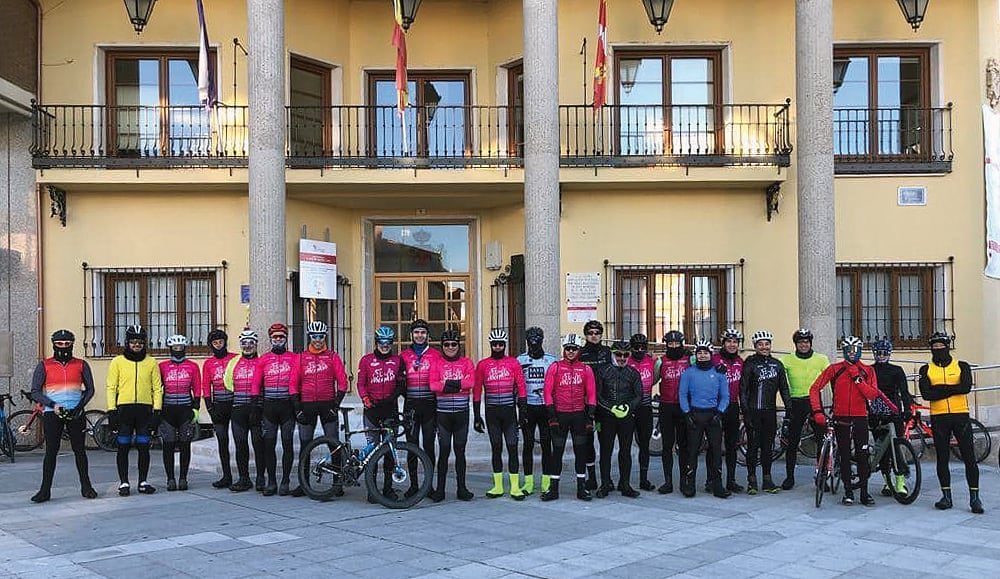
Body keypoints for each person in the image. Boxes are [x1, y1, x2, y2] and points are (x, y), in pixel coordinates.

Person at [810, 336, 896, 506]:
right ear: (843, 351)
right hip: (841, 417)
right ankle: (848, 492)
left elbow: (872, 394)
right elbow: (814, 388)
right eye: (848, 350)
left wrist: (857, 377)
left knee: (862, 455)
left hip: (860, 417)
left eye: (855, 350)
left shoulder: (867, 370)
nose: (851, 353)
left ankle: (864, 492)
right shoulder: (835, 369)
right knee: (844, 454)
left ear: (860, 351)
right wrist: (818, 411)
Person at [29, 330, 97, 503]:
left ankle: (86, 487)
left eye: (67, 344)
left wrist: (79, 406)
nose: (64, 347)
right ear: (54, 344)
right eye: (60, 344)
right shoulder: (44, 365)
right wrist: (53, 405)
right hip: (53, 413)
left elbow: (90, 389)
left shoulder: (81, 364)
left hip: (76, 413)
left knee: (79, 450)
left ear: (72, 344)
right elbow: (35, 391)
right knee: (51, 451)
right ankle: (44, 491)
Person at [918, 332, 983, 514]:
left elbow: (966, 387)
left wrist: (939, 388)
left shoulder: (962, 366)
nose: (938, 349)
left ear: (947, 347)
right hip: (939, 417)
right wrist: (953, 389)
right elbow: (926, 394)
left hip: (960, 415)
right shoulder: (925, 369)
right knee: (942, 457)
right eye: (935, 347)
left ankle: (975, 498)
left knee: (969, 457)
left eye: (941, 346)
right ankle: (946, 496)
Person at [292, 320, 349, 497]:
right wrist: (297, 409)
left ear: (325, 337)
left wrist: (336, 405)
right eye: (314, 336)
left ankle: (337, 483)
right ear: (309, 337)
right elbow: (293, 384)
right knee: (305, 445)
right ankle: (304, 484)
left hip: (327, 405)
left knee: (334, 444)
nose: (318, 340)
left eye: (321, 336)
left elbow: (343, 383)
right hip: (307, 405)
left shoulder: (332, 356)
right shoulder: (301, 357)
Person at [106, 325, 163, 496]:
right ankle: (124, 482)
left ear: (144, 343)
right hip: (124, 409)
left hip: (144, 410)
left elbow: (157, 388)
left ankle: (143, 481)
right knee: (123, 446)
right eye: (133, 342)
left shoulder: (151, 362)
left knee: (143, 446)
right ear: (127, 342)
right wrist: (111, 410)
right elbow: (111, 387)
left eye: (140, 342)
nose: (136, 345)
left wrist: (157, 411)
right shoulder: (117, 361)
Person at [542, 333, 597, 502]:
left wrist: (590, 417)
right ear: (564, 349)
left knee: (580, 452)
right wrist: (552, 415)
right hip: (560, 414)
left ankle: (581, 488)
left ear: (579, 350)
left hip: (579, 415)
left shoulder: (586, 369)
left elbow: (592, 394)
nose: (571, 351)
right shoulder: (555, 367)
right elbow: (547, 392)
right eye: (568, 349)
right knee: (557, 451)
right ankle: (553, 489)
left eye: (574, 349)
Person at [474, 329, 528, 500]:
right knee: (496, 448)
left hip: (509, 413)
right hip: (492, 414)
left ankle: (515, 487)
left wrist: (523, 412)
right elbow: (477, 391)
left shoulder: (513, 363)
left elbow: (521, 387)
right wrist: (477, 416)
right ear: (490, 345)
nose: (497, 347)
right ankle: (497, 486)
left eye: (500, 344)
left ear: (505, 345)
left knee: (512, 448)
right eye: (494, 344)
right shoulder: (483, 364)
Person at [356, 326, 407, 502]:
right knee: (372, 450)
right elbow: (360, 383)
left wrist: (392, 398)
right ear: (376, 342)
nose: (385, 345)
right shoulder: (366, 360)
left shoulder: (398, 360)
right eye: (381, 342)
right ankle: (372, 490)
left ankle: (388, 488)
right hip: (372, 410)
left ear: (392, 343)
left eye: (388, 342)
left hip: (390, 410)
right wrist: (366, 399)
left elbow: (401, 384)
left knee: (389, 451)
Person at [739, 330, 789, 495]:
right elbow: (743, 389)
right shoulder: (750, 363)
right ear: (755, 346)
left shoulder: (777, 364)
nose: (764, 347)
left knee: (768, 447)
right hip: (754, 412)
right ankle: (752, 480)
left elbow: (784, 389)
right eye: (760, 344)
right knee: (753, 447)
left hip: (770, 412)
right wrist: (745, 412)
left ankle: (767, 480)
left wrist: (789, 409)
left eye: (767, 344)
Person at [778, 328, 830, 490]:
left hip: (815, 402)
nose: (803, 345)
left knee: (822, 440)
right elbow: (778, 381)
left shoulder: (821, 359)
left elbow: (833, 379)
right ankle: (789, 477)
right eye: (800, 342)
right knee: (792, 442)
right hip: (795, 402)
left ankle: (822, 478)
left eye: (806, 342)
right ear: (796, 344)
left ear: (810, 343)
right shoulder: (786, 360)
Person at [679, 340, 730, 499]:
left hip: (713, 415)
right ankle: (690, 484)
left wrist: (719, 413)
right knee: (692, 451)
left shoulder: (719, 373)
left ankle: (717, 485)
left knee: (716, 451)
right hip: (695, 414)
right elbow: (682, 394)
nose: (702, 355)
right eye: (699, 353)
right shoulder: (688, 373)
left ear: (711, 354)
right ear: (695, 355)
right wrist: (687, 414)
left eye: (705, 353)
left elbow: (725, 396)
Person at [429, 330, 476, 502]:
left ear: (459, 345)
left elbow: (471, 383)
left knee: (460, 451)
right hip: (443, 415)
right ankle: (440, 489)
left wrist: (446, 384)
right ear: (442, 346)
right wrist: (458, 385)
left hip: (461, 415)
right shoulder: (436, 363)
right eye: (446, 344)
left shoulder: (467, 362)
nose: (450, 347)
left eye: (454, 344)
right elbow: (433, 385)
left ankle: (462, 488)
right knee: (444, 451)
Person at [255, 323, 300, 496]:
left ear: (286, 339)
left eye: (281, 337)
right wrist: (255, 405)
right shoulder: (264, 359)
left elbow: (299, 382)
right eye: (275, 337)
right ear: (270, 339)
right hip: (269, 407)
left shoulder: (294, 358)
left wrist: (298, 404)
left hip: (288, 407)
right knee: (269, 445)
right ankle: (271, 481)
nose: (278, 339)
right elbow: (256, 384)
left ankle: (285, 481)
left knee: (287, 444)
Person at [399, 319, 442, 498]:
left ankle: (428, 486)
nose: (419, 335)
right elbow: (399, 381)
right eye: (416, 332)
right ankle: (414, 485)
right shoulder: (403, 355)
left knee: (429, 447)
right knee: (411, 446)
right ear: (411, 334)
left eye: (423, 332)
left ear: (428, 335)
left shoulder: (436, 355)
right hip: (411, 406)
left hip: (430, 406)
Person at [595, 341, 642, 498]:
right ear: (612, 354)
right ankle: (605, 484)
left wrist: (628, 407)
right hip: (606, 417)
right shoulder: (602, 371)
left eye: (625, 355)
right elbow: (597, 395)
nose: (622, 358)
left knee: (626, 451)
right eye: (618, 355)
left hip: (626, 417)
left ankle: (625, 484)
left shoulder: (633, 373)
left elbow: (639, 395)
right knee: (605, 451)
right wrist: (611, 408)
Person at [869, 339, 914, 497]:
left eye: (884, 353)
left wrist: (907, 409)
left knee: (896, 448)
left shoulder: (897, 370)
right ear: (874, 354)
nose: (881, 356)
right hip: (876, 413)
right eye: (878, 353)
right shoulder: (869, 370)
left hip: (894, 412)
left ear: (889, 354)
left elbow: (904, 392)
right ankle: (887, 482)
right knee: (882, 450)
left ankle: (900, 482)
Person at [517, 326, 558, 496]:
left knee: (547, 444)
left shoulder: (551, 360)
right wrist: (520, 408)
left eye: (537, 341)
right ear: (527, 341)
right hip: (527, 407)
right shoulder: (520, 360)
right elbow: (516, 385)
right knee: (528, 444)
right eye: (531, 341)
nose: (534, 344)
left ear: (542, 341)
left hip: (545, 407)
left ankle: (546, 482)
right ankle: (528, 482)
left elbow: (556, 385)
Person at [158, 334, 202, 491]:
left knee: (185, 445)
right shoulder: (162, 366)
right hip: (168, 410)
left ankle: (183, 478)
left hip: (185, 410)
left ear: (185, 348)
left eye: (181, 347)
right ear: (170, 349)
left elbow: (197, 388)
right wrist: (156, 409)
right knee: (168, 445)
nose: (178, 350)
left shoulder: (192, 366)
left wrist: (196, 408)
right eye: (175, 347)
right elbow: (157, 388)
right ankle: (170, 479)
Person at [224, 329, 264, 492]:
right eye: (244, 343)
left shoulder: (261, 360)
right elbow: (227, 381)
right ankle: (243, 478)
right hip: (238, 409)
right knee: (240, 445)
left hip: (257, 409)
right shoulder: (234, 361)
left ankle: (261, 478)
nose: (247, 346)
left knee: (258, 444)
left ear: (256, 345)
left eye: (251, 343)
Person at [201, 329, 237, 489]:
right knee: (222, 441)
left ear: (225, 342)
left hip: (235, 404)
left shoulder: (235, 358)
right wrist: (210, 409)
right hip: (219, 406)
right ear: (211, 345)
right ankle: (226, 476)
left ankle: (244, 476)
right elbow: (206, 387)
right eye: (215, 343)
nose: (218, 345)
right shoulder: (208, 363)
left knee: (240, 440)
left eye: (220, 342)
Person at [711, 328, 744, 493]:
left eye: (735, 342)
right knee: (714, 445)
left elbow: (743, 387)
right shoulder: (714, 359)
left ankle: (731, 480)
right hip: (715, 407)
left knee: (732, 445)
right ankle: (711, 481)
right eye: (729, 341)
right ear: (723, 344)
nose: (732, 345)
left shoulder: (740, 361)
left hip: (733, 406)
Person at [578, 319, 610, 490]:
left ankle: (606, 479)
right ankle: (591, 477)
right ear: (585, 335)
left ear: (601, 335)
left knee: (605, 441)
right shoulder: (580, 353)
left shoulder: (607, 352)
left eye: (597, 333)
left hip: (604, 405)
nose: (594, 336)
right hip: (585, 405)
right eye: (590, 333)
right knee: (587, 441)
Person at [657, 329, 690, 494]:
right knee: (667, 446)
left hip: (684, 407)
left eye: (677, 343)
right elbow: (652, 380)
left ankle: (684, 481)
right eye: (671, 344)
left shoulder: (690, 360)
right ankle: (668, 481)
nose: (674, 346)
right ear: (666, 345)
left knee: (683, 446)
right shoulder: (661, 361)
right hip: (666, 407)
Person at [626, 333, 657, 491]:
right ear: (631, 348)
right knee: (625, 445)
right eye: (636, 347)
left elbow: (656, 378)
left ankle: (643, 479)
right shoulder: (626, 361)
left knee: (644, 445)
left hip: (645, 407)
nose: (639, 350)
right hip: (629, 408)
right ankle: (624, 481)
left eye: (642, 347)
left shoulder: (652, 361)